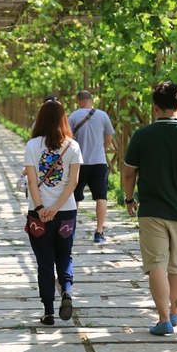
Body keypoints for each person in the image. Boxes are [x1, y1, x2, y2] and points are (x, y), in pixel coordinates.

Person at [122, 81, 177, 336]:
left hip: (151, 210)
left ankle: (163, 320)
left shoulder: (142, 136)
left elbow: (129, 173)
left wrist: (129, 198)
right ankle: (175, 310)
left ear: (154, 107)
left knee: (156, 265)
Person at [24, 99, 83, 325]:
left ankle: (48, 311)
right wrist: (57, 207)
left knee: (45, 261)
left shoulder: (32, 146)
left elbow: (32, 181)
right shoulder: (72, 146)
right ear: (63, 119)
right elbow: (73, 182)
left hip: (38, 215)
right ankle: (66, 290)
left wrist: (41, 208)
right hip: (66, 212)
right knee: (64, 255)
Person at [68, 90, 115, 244]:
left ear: (79, 100)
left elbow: (67, 138)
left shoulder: (73, 116)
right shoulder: (103, 115)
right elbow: (109, 139)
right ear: (91, 100)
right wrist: (101, 150)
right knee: (101, 197)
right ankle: (99, 232)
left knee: (74, 197)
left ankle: (70, 231)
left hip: (78, 163)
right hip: (99, 162)